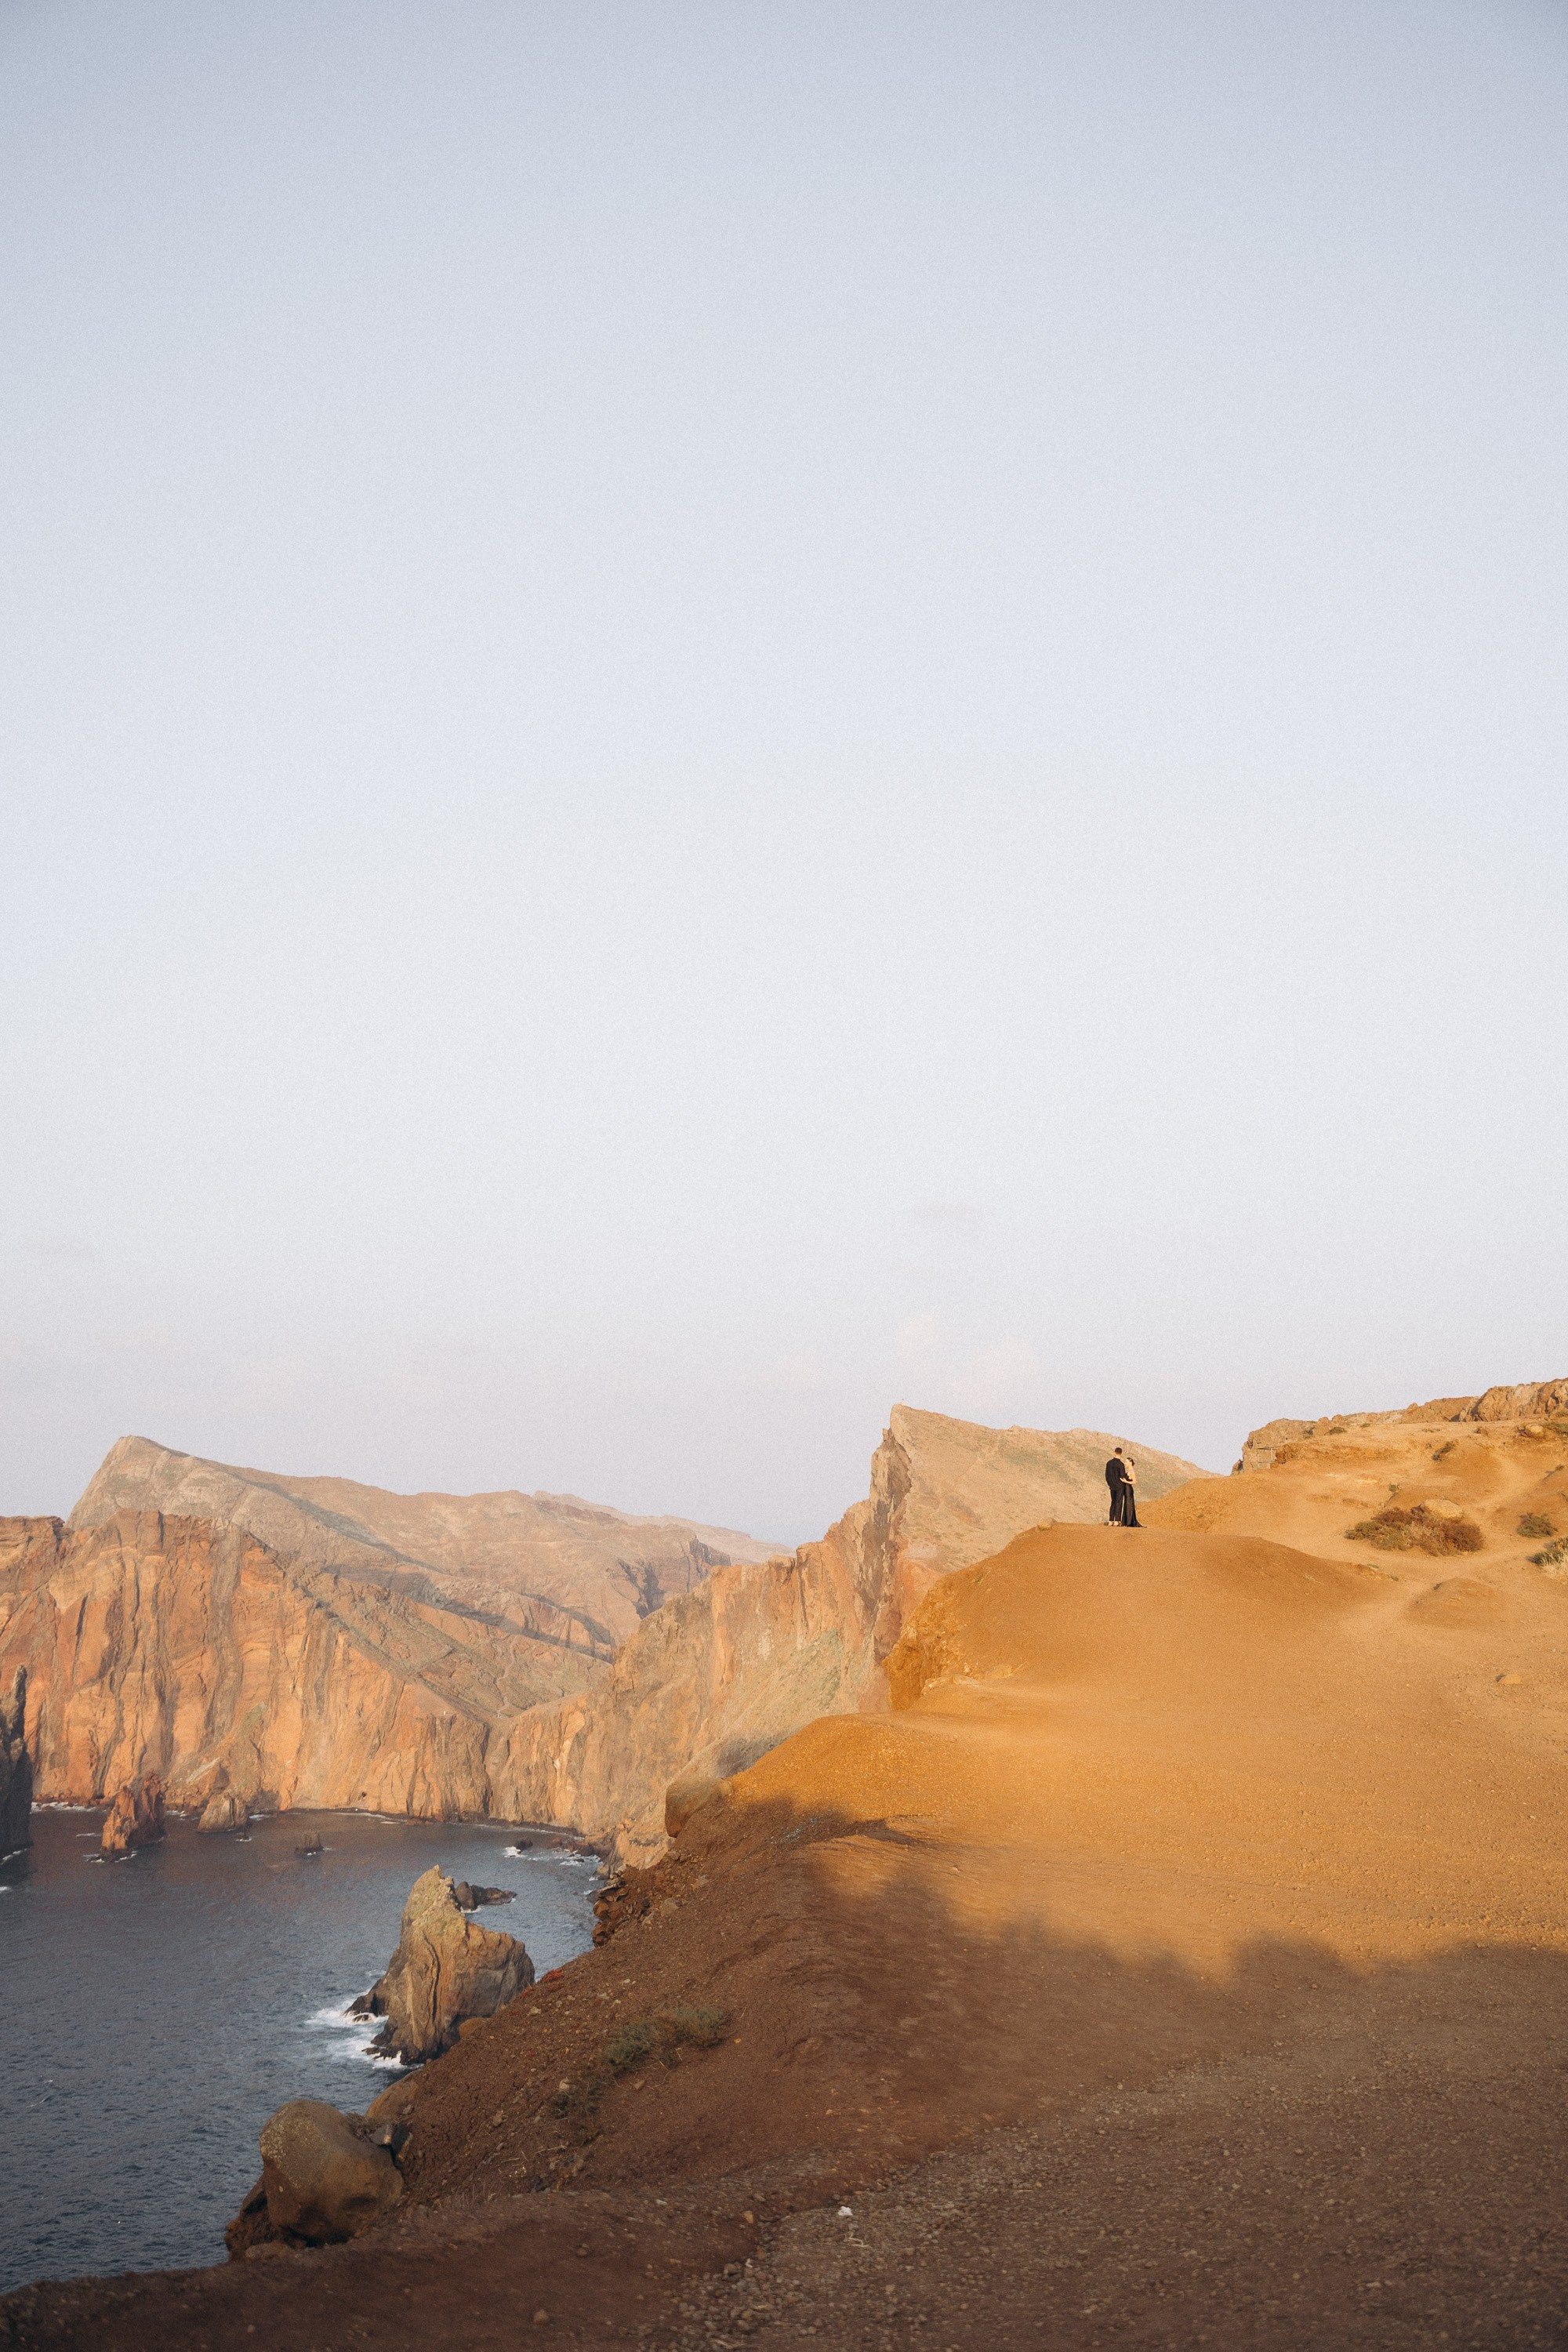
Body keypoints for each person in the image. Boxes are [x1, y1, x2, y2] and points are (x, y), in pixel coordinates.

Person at [1105, 1446, 1142, 1528]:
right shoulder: (1121, 1465)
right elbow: (1122, 1476)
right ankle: (1117, 1521)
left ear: (1114, 1453)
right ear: (1121, 1454)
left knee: (1113, 1502)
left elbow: (1107, 1475)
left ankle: (1111, 1520)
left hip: (1112, 1486)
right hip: (1120, 1486)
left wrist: (1110, 1483)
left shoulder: (1109, 1463)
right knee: (1119, 1503)